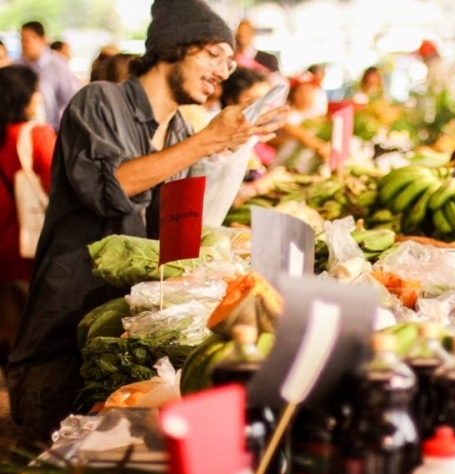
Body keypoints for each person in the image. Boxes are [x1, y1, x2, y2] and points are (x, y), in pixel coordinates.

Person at [6, 0, 284, 440]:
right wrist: (204, 143)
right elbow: (108, 187)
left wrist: (229, 154)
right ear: (176, 46)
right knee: (55, 471)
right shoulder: (99, 101)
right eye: (214, 54)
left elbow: (184, 230)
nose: (225, 72)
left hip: (123, 342)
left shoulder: (177, 132)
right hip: (61, 343)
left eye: (231, 61)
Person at [0, 66, 56, 369]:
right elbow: (59, 185)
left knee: (7, 325)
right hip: (28, 244)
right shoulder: (35, 134)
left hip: (3, 245)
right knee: (32, 327)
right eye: (35, 90)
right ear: (23, 96)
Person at [15, 21, 81, 130]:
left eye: (27, 40)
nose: (23, 44)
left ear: (42, 40)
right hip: (23, 130)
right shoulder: (17, 65)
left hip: (53, 130)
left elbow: (71, 99)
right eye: (21, 39)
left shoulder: (58, 65)